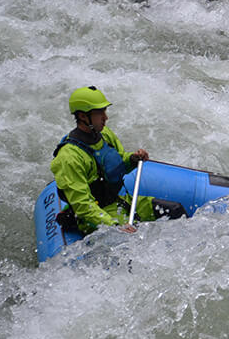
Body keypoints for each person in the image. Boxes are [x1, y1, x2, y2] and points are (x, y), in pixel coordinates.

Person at [50, 86, 184, 234]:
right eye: (100, 113)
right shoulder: (69, 157)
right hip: (96, 217)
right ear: (83, 116)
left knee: (175, 210)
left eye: (105, 111)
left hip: (120, 201)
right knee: (133, 238)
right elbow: (83, 207)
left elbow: (117, 163)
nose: (105, 117)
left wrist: (132, 159)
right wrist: (115, 227)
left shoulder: (104, 135)